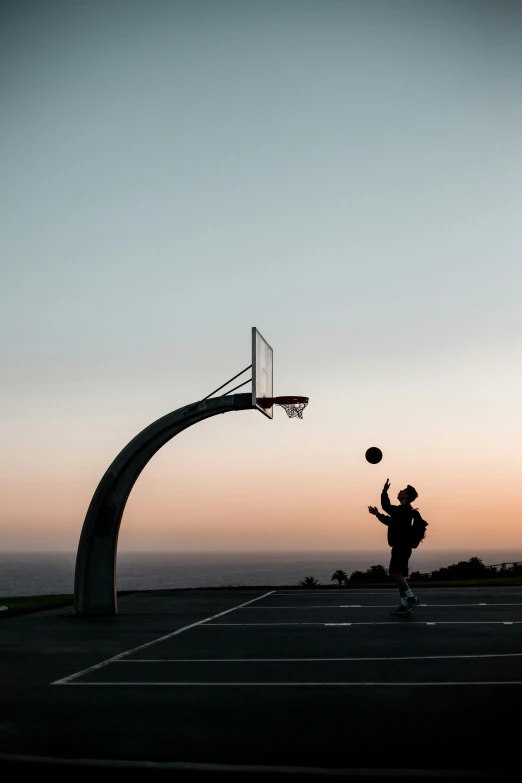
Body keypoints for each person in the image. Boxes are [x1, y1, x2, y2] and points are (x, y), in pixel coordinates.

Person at [368, 478, 421, 615]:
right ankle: (404, 604)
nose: (400, 491)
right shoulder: (403, 511)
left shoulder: (404, 511)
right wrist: (377, 514)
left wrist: (384, 491)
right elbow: (390, 521)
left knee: (394, 574)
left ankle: (411, 598)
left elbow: (386, 507)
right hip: (402, 547)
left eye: (402, 491)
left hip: (401, 547)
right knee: (399, 577)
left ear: (406, 496)